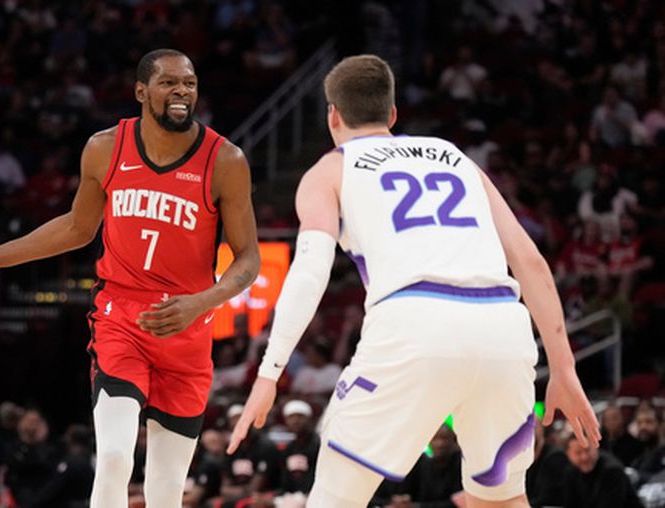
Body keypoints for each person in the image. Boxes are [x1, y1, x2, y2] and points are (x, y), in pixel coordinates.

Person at [228, 54, 600, 508]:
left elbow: (309, 272)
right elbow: (531, 262)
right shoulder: (455, 157)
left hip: (415, 321)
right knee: (500, 500)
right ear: (393, 114)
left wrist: (269, 374)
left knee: (333, 499)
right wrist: (563, 369)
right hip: (503, 325)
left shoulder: (330, 170)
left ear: (333, 116)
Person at [0, 48, 260, 508]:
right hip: (121, 317)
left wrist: (201, 302)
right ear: (141, 91)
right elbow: (77, 228)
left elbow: (249, 259)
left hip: (187, 325)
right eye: (169, 83)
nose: (181, 92)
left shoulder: (225, 160)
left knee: (166, 487)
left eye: (189, 84)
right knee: (114, 457)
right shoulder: (106, 147)